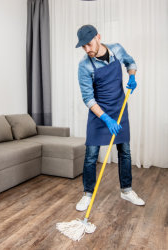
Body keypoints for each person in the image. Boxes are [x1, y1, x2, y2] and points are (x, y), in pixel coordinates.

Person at [75, 24, 145, 212]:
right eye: (83, 47)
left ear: (98, 37)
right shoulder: (84, 66)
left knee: (125, 151)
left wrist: (132, 76)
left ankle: (127, 190)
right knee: (91, 156)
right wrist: (106, 119)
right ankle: (87, 194)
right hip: (99, 114)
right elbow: (88, 98)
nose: (87, 50)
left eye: (89, 44)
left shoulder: (116, 49)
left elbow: (130, 63)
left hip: (119, 108)